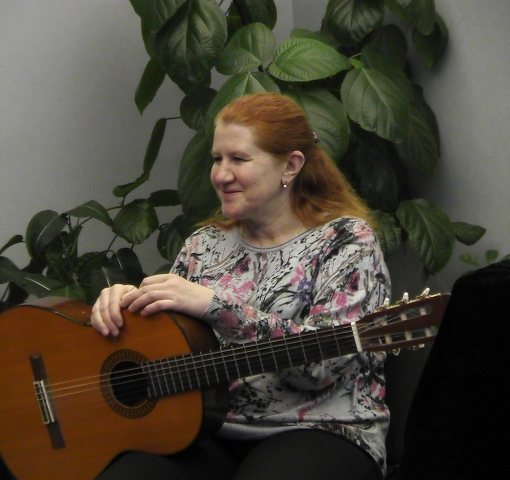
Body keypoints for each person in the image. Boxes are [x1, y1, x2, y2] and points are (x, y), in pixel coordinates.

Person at [91, 92, 391, 480]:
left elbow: (320, 370)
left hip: (322, 430)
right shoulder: (203, 245)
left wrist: (217, 307)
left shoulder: (346, 241)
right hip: (208, 427)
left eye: (239, 159)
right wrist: (123, 311)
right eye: (217, 159)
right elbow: (168, 345)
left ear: (291, 165)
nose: (221, 174)